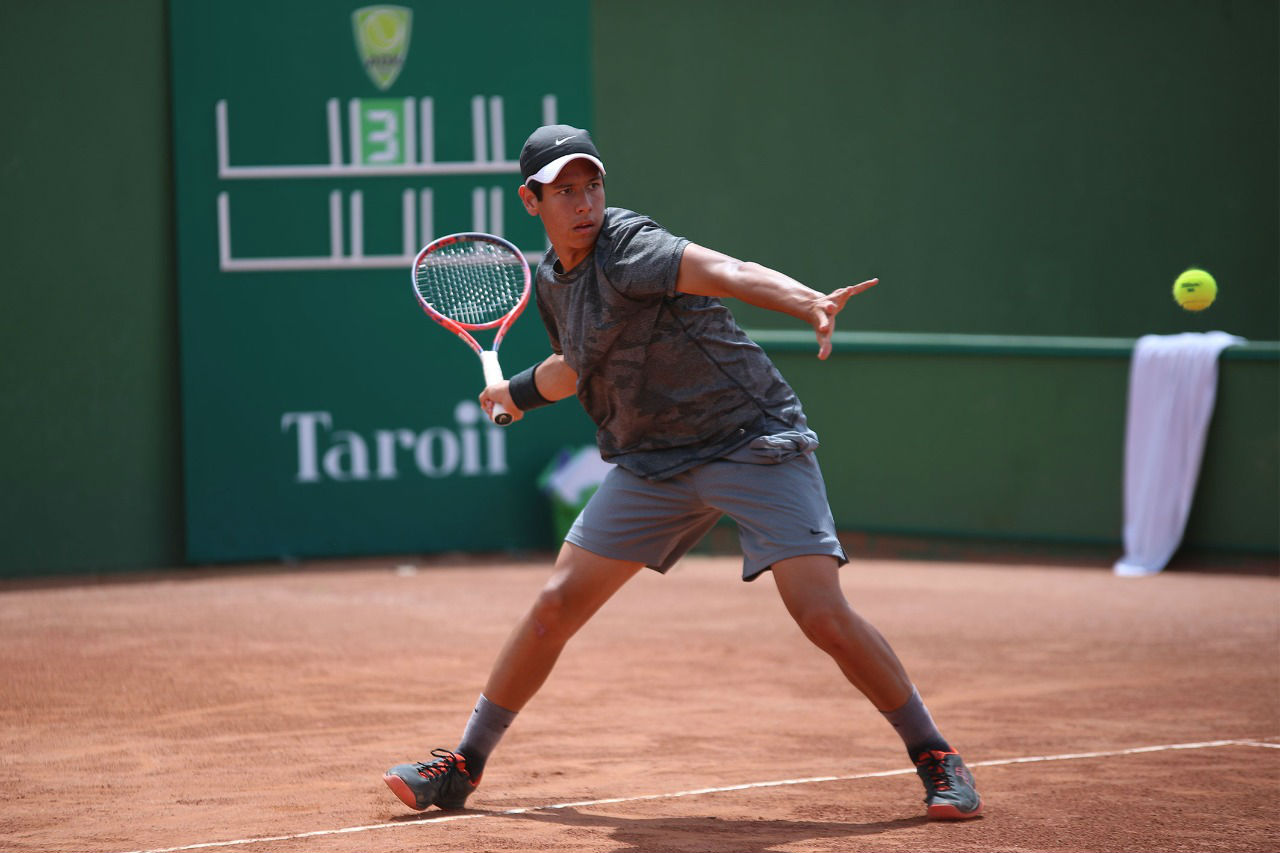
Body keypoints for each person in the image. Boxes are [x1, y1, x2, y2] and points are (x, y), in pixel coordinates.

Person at [383, 125, 983, 820]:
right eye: (566, 191)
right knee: (554, 605)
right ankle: (464, 764)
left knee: (822, 615)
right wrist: (515, 393)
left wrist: (807, 299)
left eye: (593, 185)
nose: (585, 203)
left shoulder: (631, 244)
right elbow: (581, 362)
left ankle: (936, 754)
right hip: (652, 462)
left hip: (749, 440)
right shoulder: (550, 281)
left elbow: (726, 270)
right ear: (532, 200)